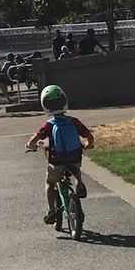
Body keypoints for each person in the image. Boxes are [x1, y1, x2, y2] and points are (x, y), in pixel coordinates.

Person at [25, 84, 94, 227]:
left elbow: (33, 141)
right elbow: (89, 136)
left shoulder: (49, 125)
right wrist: (89, 145)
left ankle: (51, 211)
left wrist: (30, 146)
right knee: (76, 168)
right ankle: (79, 183)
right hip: (74, 157)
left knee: (50, 183)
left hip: (57, 161)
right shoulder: (73, 121)